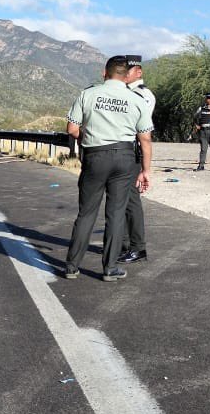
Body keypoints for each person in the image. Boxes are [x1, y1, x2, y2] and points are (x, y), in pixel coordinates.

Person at [63, 56, 153, 282]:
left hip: (95, 156)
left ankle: (72, 266)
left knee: (86, 213)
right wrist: (145, 170)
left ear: (105, 72)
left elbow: (72, 129)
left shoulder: (88, 94)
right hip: (124, 158)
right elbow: (145, 139)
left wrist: (87, 137)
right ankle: (110, 268)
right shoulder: (137, 99)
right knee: (116, 213)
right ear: (126, 76)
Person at [119, 55, 153, 264]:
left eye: (128, 70)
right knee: (120, 199)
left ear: (138, 72)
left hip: (132, 151)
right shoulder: (124, 92)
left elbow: (142, 131)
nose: (124, 74)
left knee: (131, 200)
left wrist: (145, 167)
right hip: (121, 151)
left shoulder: (142, 95)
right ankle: (122, 244)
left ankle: (138, 247)